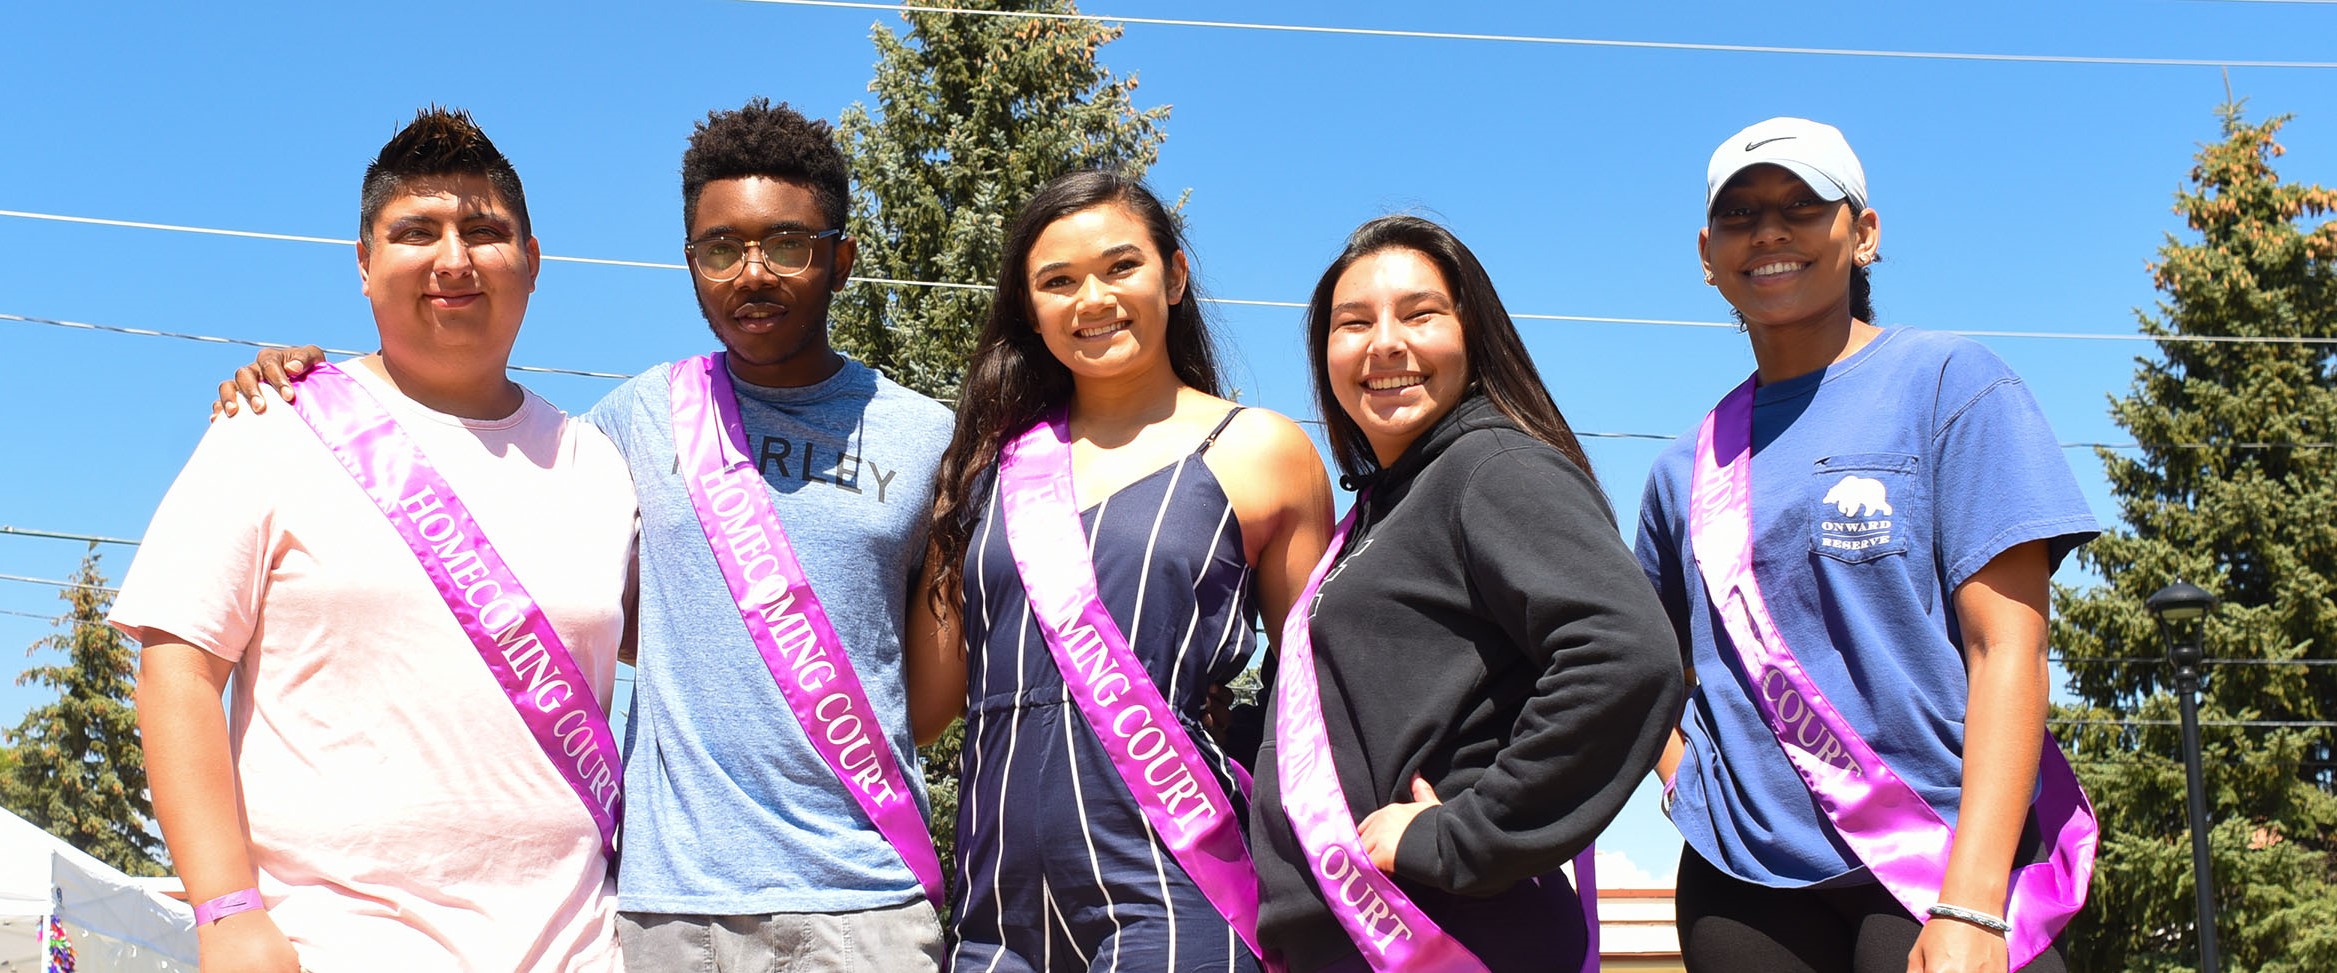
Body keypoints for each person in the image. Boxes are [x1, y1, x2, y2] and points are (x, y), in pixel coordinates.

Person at [216, 99, 961, 971]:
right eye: (720, 248)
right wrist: (309, 381)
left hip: (861, 900)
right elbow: (471, 446)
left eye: (787, 243)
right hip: (665, 909)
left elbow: (927, 693)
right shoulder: (637, 419)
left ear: (841, 259)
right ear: (691, 263)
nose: (751, 273)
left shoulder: (929, 439)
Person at [121, 107, 636, 971]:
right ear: (364, 264)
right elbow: (177, 664)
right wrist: (226, 912)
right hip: (330, 946)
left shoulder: (600, 465)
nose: (453, 259)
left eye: (484, 230)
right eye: (415, 232)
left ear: (534, 262)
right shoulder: (270, 424)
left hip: (578, 951)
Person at [1635, 117, 2098, 973]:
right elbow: (1640, 667)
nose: (1769, 231)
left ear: (1864, 233)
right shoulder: (1684, 467)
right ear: (1707, 253)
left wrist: (1970, 902)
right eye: (1739, 214)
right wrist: (1683, 776)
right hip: (1743, 888)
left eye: (1801, 205)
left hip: (1936, 861)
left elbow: (2009, 647)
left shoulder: (1952, 383)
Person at [1249, 215, 1683, 973]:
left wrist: (1465, 835)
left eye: (1419, 314)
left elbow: (1626, 657)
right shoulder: (1380, 512)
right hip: (1348, 935)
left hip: (1444, 930)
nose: (1384, 342)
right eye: (1354, 323)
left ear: (1472, 333)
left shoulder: (1490, 466)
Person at [926, 169, 1333, 972]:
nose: (1092, 299)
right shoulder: (982, 470)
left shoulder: (1260, 450)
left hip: (1175, 892)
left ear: (1173, 276)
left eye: (1121, 267)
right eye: (1057, 281)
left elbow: (1319, 702)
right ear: (1030, 309)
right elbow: (924, 702)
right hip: (991, 916)